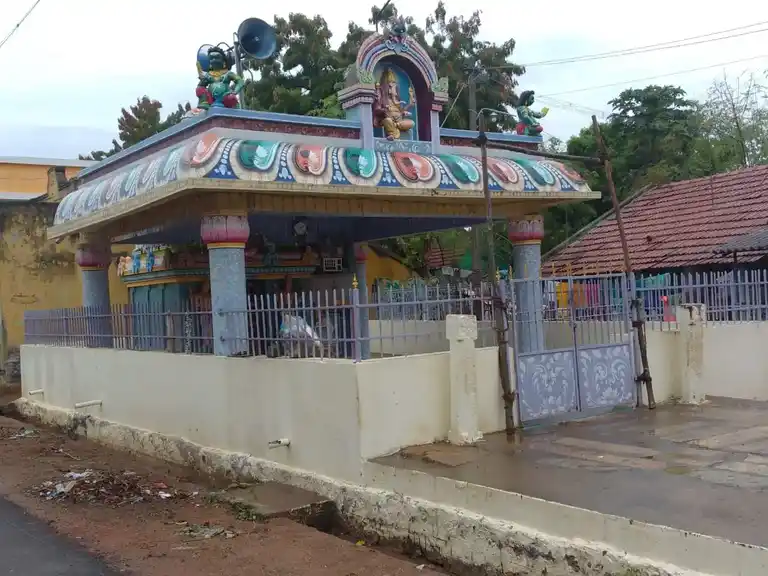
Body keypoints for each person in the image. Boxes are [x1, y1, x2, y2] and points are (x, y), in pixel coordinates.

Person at [373, 68, 415, 140]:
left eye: (394, 83)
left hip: (399, 121)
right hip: (388, 119)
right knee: (387, 121)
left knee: (412, 123)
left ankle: (395, 126)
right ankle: (392, 134)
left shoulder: (397, 100)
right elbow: (376, 110)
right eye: (391, 83)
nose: (393, 87)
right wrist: (384, 109)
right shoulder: (381, 98)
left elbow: (401, 111)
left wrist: (409, 105)